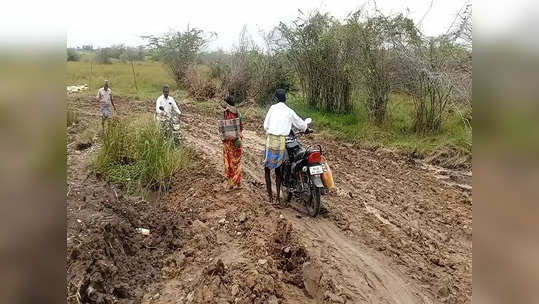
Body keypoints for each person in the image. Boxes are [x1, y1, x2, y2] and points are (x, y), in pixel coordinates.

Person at [263, 89, 311, 206]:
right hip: (281, 142)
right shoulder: (289, 111)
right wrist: (306, 128)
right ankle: (278, 199)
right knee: (279, 171)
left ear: (276, 99)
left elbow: (265, 126)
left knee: (267, 169)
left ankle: (270, 197)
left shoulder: (272, 109)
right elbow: (300, 123)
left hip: (271, 141)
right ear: (285, 99)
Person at [221, 96, 243, 190]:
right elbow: (241, 127)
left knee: (229, 162)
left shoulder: (226, 113)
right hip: (237, 141)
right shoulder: (239, 113)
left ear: (228, 104)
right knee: (237, 162)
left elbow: (223, 128)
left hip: (229, 142)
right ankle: (238, 183)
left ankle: (231, 183)